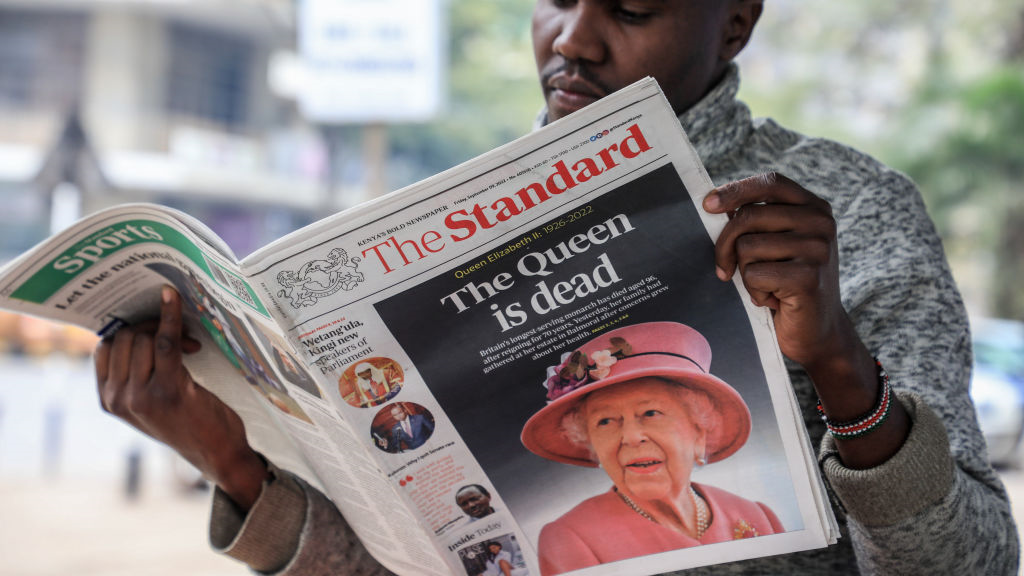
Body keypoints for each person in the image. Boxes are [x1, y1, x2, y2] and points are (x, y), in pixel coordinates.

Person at [93, 1, 1018, 574]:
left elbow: (970, 566)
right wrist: (235, 466)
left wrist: (844, 366)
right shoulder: (437, 227)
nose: (573, 39)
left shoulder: (848, 213)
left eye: (630, 5)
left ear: (736, 18)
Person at [521, 322, 783, 575]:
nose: (631, 437)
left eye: (650, 412)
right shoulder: (568, 539)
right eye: (605, 421)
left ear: (698, 434)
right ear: (592, 447)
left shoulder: (757, 515)